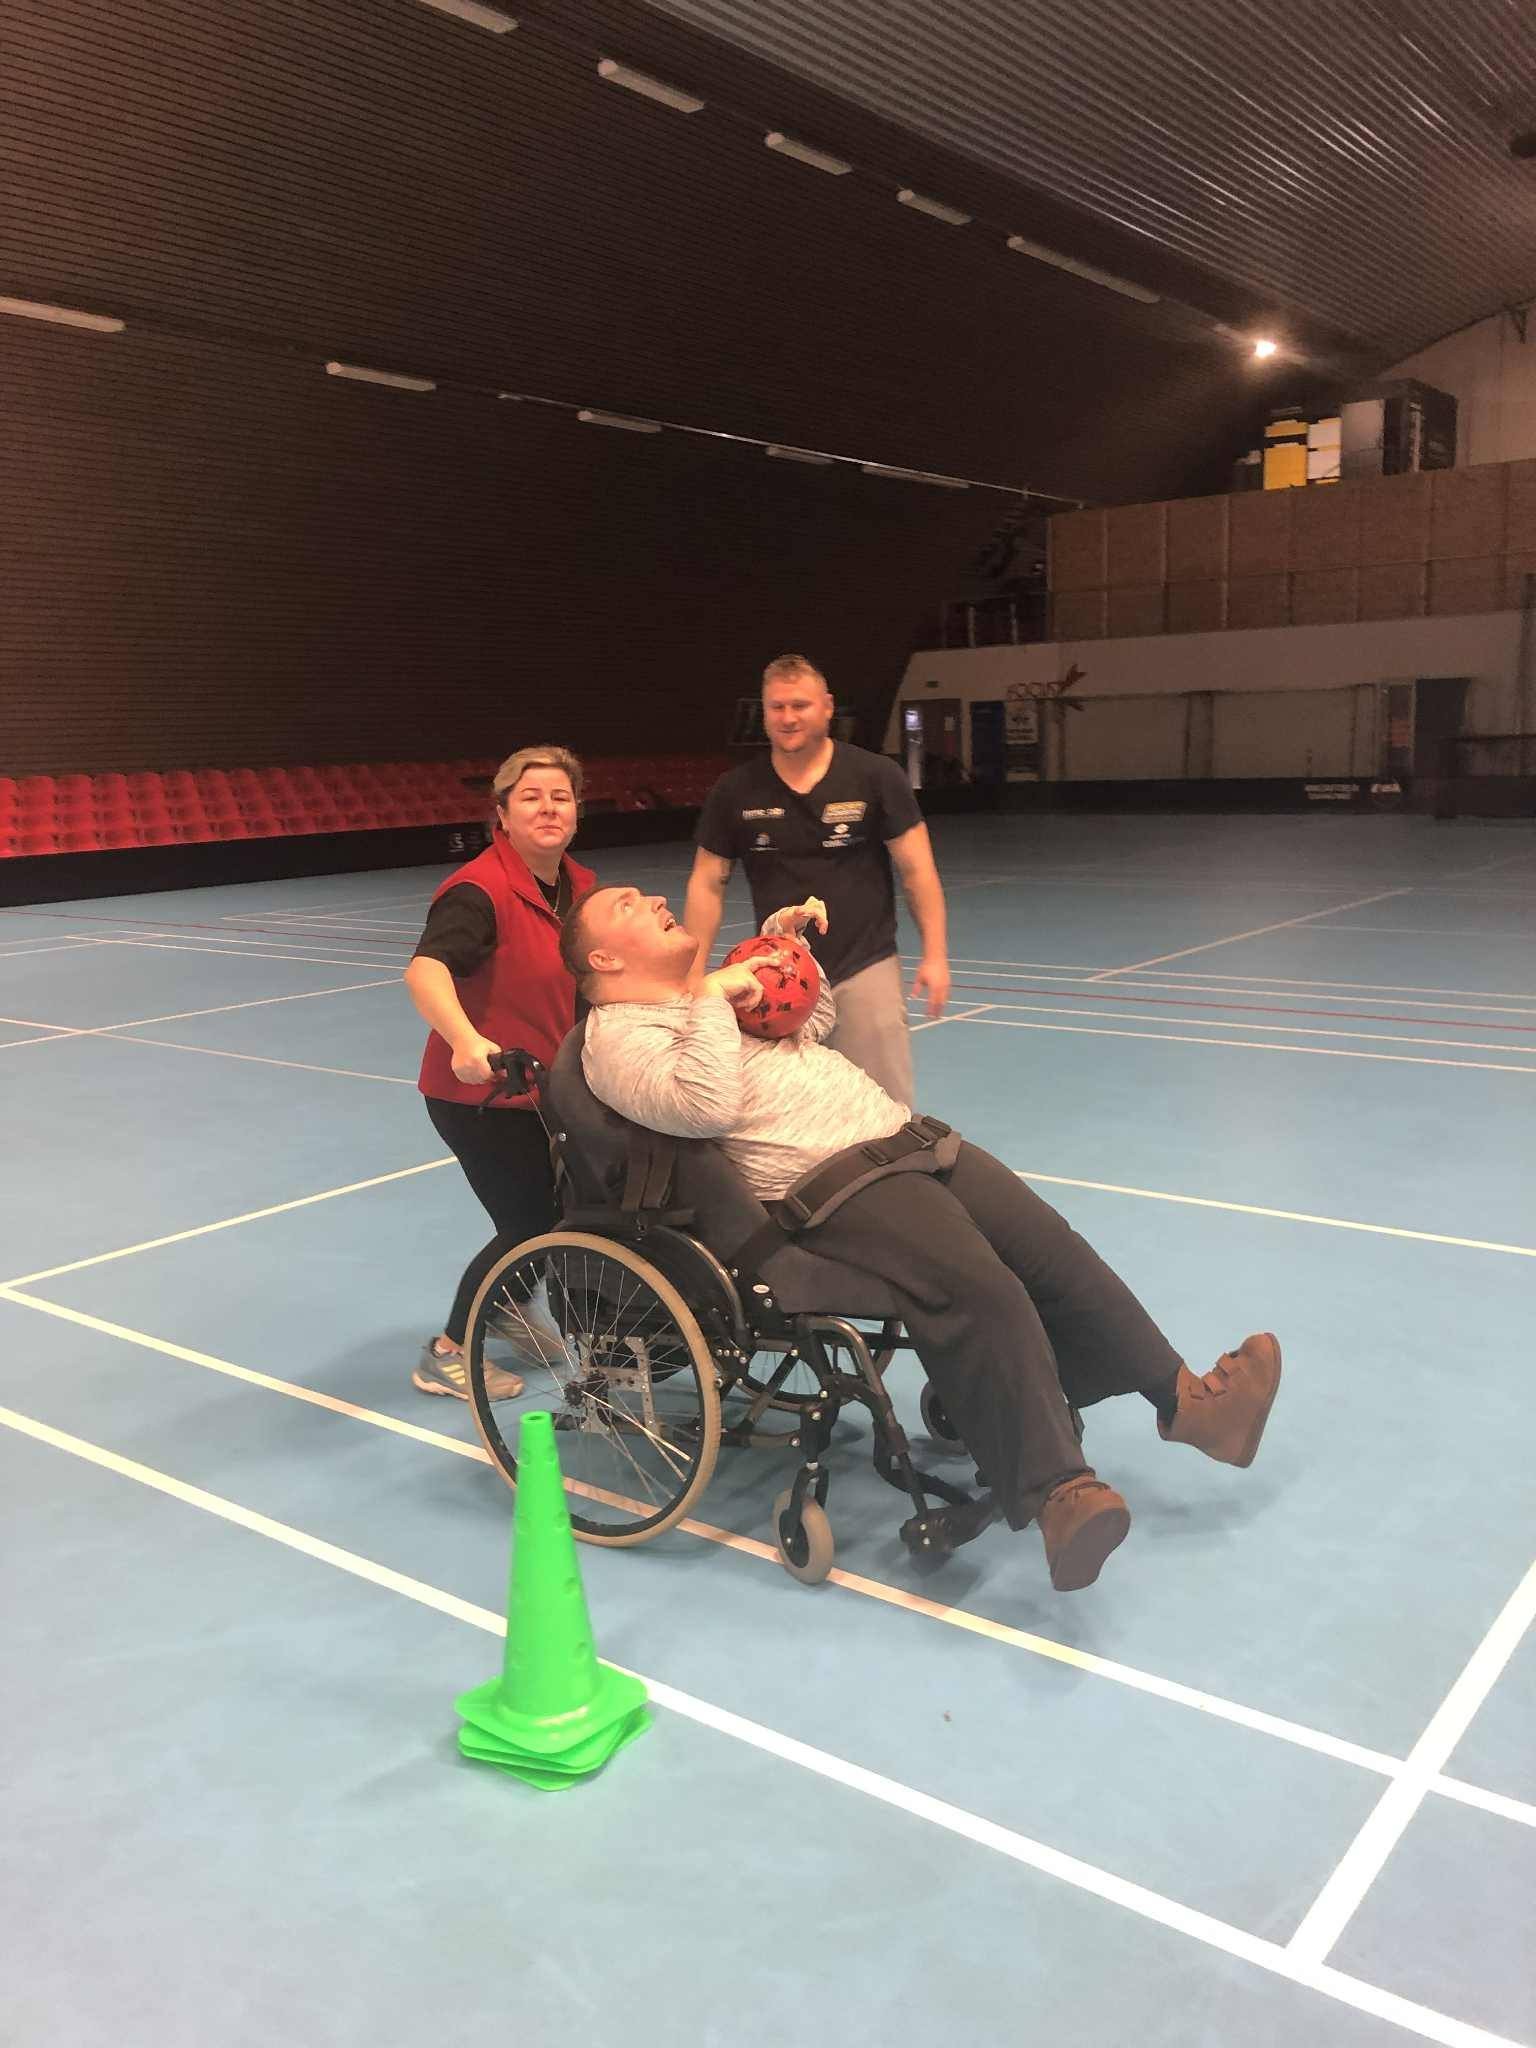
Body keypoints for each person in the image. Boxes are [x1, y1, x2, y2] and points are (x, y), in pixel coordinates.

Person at [559, 885, 1282, 1593]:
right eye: (627, 905)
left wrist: (786, 961)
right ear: (604, 959)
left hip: (902, 1140)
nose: (655, 901)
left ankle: (1187, 1402)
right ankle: (1059, 1493)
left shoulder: (702, 996)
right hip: (834, 1184)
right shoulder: (618, 1040)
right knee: (982, 1289)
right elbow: (702, 1107)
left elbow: (811, 1027)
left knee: (1053, 1251)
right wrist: (715, 1000)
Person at [405, 745, 593, 1402]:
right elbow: (426, 970)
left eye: (561, 797)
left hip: (549, 1091)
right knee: (530, 1222)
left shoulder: (582, 888)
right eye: (531, 797)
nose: (548, 808)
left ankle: (509, 1305)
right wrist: (465, 1040)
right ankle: (449, 1352)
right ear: (503, 815)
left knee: (564, 1213)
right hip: (479, 1095)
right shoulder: (478, 890)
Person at [683, 654, 951, 1106]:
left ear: (827, 707)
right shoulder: (735, 790)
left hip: (864, 966)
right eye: (777, 707)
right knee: (789, 1114)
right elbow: (708, 882)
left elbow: (918, 870)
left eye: (800, 706)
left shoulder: (876, 776)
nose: (788, 718)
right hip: (776, 978)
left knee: (885, 1111)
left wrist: (936, 955)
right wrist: (693, 975)